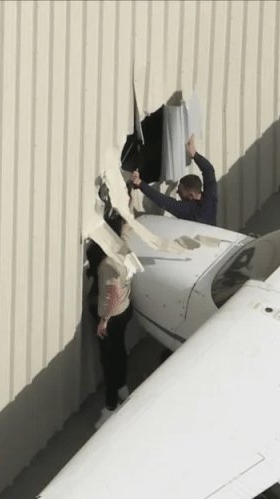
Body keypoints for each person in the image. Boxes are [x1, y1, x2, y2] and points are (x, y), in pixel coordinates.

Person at [86, 215, 134, 429]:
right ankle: (123, 389)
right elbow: (126, 232)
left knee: (108, 361)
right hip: (125, 309)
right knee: (120, 351)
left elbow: (111, 293)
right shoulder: (123, 248)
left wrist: (103, 321)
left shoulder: (106, 263)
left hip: (112, 315)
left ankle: (110, 406)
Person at [131, 135, 219, 226]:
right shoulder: (211, 199)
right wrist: (194, 154)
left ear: (191, 195)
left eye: (181, 191)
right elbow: (209, 171)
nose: (177, 192)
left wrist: (141, 184)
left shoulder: (192, 212)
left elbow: (164, 201)